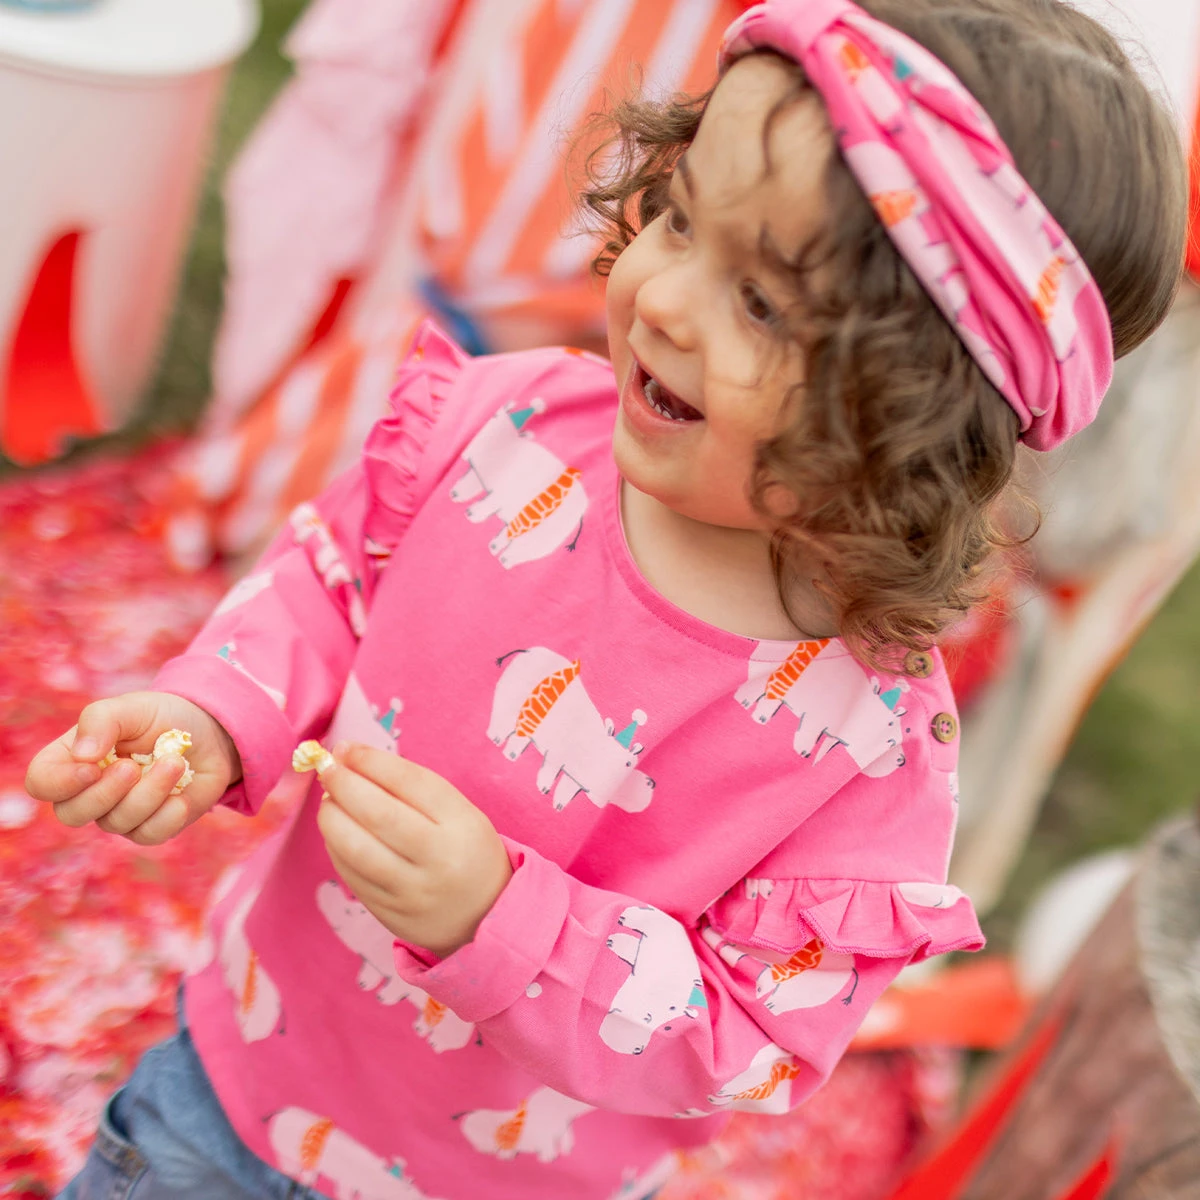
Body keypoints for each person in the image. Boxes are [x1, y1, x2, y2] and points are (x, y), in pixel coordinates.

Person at [26, 0, 1186, 1197]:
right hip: (237, 1083)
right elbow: (332, 581)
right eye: (682, 219)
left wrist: (498, 916)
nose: (668, 299)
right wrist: (214, 716)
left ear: (914, 418)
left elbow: (746, 1040)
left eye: (764, 304)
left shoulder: (868, 758)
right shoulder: (510, 428)